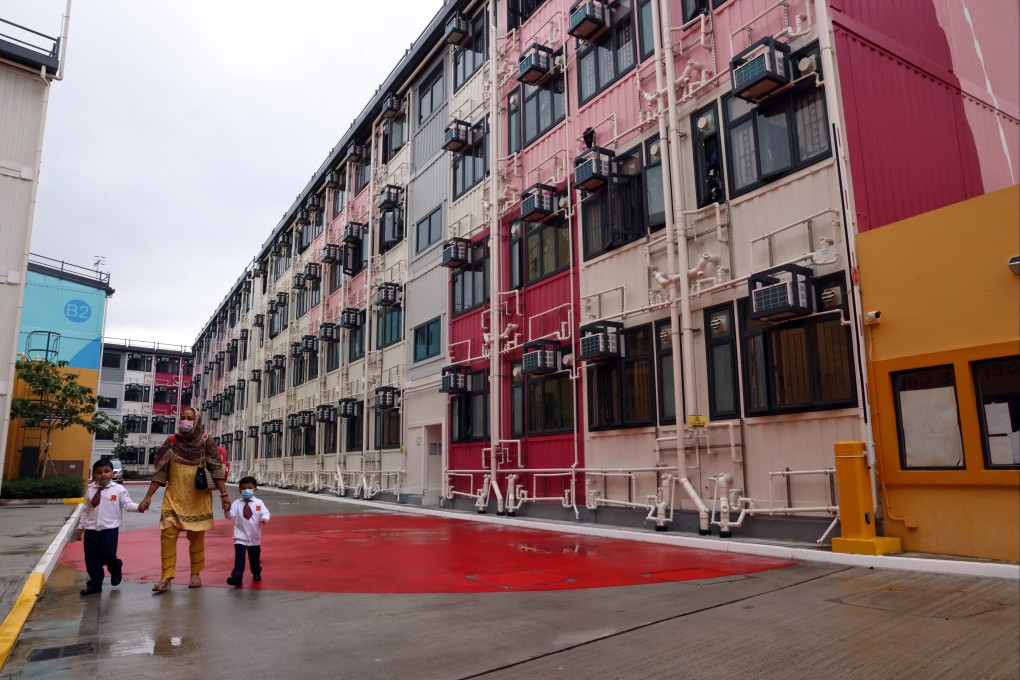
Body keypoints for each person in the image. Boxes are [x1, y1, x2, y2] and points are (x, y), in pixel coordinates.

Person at [138, 408, 230, 592]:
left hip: (198, 499)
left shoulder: (205, 441)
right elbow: (161, 472)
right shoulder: (172, 442)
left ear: (196, 421)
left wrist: (224, 494)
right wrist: (148, 497)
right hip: (173, 498)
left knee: (196, 538)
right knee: (167, 535)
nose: (186, 422)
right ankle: (166, 576)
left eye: (190, 418)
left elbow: (216, 469)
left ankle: (195, 574)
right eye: (183, 418)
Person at [77, 458, 142, 596]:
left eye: (107, 471)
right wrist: (80, 527)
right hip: (91, 529)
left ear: (113, 473)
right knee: (91, 558)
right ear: (94, 475)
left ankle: (115, 567)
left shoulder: (118, 490)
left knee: (108, 554)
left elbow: (128, 504)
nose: (103, 474)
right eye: (99, 472)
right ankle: (95, 584)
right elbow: (86, 510)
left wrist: (139, 507)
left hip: (109, 529)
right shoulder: (91, 490)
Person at [225, 476, 270, 588]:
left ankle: (256, 572)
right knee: (239, 557)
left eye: (249, 488)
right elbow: (230, 516)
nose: (246, 490)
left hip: (254, 537)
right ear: (240, 490)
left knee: (254, 557)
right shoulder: (236, 504)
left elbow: (266, 513)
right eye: (244, 488)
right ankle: (237, 577)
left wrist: (265, 518)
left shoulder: (259, 503)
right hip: (240, 536)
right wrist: (226, 509)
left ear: (255, 489)